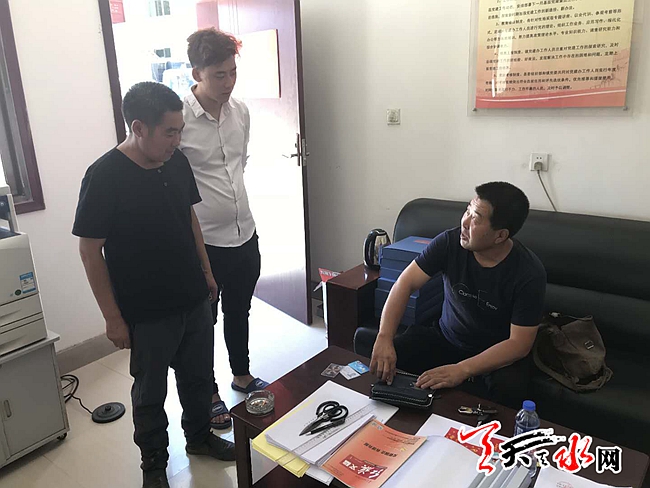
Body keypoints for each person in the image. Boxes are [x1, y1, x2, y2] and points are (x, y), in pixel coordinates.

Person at [73, 81, 235, 488]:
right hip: (145, 310)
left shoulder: (176, 162)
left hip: (192, 297)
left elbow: (189, 219)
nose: (177, 140)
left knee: (198, 378)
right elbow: (90, 251)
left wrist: (207, 272)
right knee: (149, 394)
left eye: (180, 131)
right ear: (138, 127)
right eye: (169, 132)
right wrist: (113, 318)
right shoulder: (104, 175)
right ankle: (154, 466)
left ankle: (199, 438)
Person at [362, 182, 546, 408]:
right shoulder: (450, 242)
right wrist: (384, 337)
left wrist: (462, 369)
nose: (464, 222)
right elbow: (405, 283)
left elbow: (519, 344)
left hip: (496, 354)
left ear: (500, 235)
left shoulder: (528, 273)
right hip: (447, 338)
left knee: (510, 388)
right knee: (387, 356)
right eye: (467, 210)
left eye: (475, 218)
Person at [179, 28, 267, 430]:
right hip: (204, 242)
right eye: (219, 75)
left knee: (239, 309)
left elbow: (238, 166)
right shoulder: (178, 120)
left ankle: (242, 374)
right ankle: (209, 392)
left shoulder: (240, 113)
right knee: (202, 324)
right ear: (196, 73)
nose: (228, 82)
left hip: (243, 233)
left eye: (232, 72)